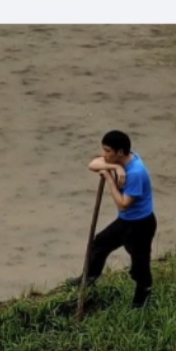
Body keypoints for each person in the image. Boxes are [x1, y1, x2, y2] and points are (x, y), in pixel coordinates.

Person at [69, 130, 157, 308]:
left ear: (120, 152)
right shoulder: (121, 161)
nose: (104, 155)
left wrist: (109, 178)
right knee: (99, 244)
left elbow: (123, 204)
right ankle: (89, 278)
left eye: (107, 151)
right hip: (126, 222)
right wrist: (115, 168)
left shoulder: (135, 173)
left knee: (140, 266)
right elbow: (92, 164)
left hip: (140, 225)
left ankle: (142, 302)